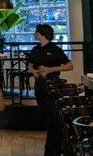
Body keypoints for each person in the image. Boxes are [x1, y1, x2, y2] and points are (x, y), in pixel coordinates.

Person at [28, 24, 73, 156]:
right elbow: (30, 65)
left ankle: (54, 149)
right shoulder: (35, 49)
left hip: (52, 85)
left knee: (53, 119)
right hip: (39, 85)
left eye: (36, 32)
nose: (34, 34)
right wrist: (34, 72)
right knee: (46, 116)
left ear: (42, 34)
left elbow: (70, 66)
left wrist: (50, 69)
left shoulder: (55, 49)